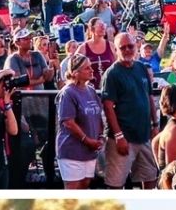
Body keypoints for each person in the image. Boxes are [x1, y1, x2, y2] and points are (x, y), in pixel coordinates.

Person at [101, 32, 158, 189]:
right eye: (122, 47)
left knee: (150, 177)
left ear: (136, 46)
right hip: (123, 136)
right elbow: (108, 106)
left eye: (130, 46)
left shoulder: (141, 67)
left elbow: (149, 96)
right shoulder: (112, 74)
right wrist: (119, 136)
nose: (127, 50)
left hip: (144, 135)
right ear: (116, 50)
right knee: (116, 183)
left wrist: (155, 124)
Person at [55, 52, 105, 188]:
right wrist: (87, 140)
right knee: (74, 190)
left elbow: (98, 115)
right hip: (72, 150)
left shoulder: (91, 91)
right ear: (75, 73)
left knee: (85, 186)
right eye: (87, 68)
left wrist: (100, 137)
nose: (91, 70)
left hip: (90, 151)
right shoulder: (68, 93)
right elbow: (68, 122)